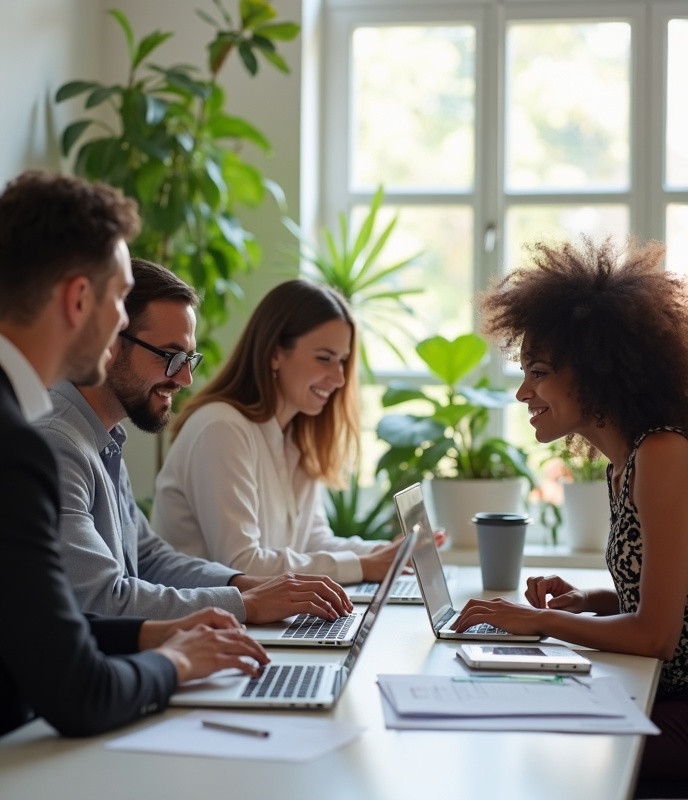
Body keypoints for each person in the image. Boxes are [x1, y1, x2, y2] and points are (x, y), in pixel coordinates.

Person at [0, 170, 268, 739]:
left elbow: (41, 628)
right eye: (120, 299)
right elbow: (79, 690)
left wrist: (151, 635)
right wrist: (178, 662)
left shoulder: (60, 433)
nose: (121, 322)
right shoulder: (24, 442)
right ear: (78, 298)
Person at [453, 236, 688, 797]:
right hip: (665, 692)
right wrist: (590, 603)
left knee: (527, 741)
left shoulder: (662, 454)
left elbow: (657, 636)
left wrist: (541, 622)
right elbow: (665, 606)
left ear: (595, 371)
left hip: (680, 707)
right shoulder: (624, 463)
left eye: (539, 372)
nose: (522, 392)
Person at [35, 260, 352, 623]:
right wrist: (248, 605)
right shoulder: (57, 445)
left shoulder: (102, 439)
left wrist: (248, 586)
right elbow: (100, 599)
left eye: (189, 359)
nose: (185, 378)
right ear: (109, 342)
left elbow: (149, 557)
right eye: (171, 357)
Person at [151, 279, 408, 585]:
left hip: (257, 620)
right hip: (206, 623)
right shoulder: (221, 428)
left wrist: (385, 553)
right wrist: (363, 566)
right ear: (274, 353)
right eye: (324, 358)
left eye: (342, 361)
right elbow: (242, 564)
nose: (338, 378)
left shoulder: (294, 434)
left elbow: (312, 542)